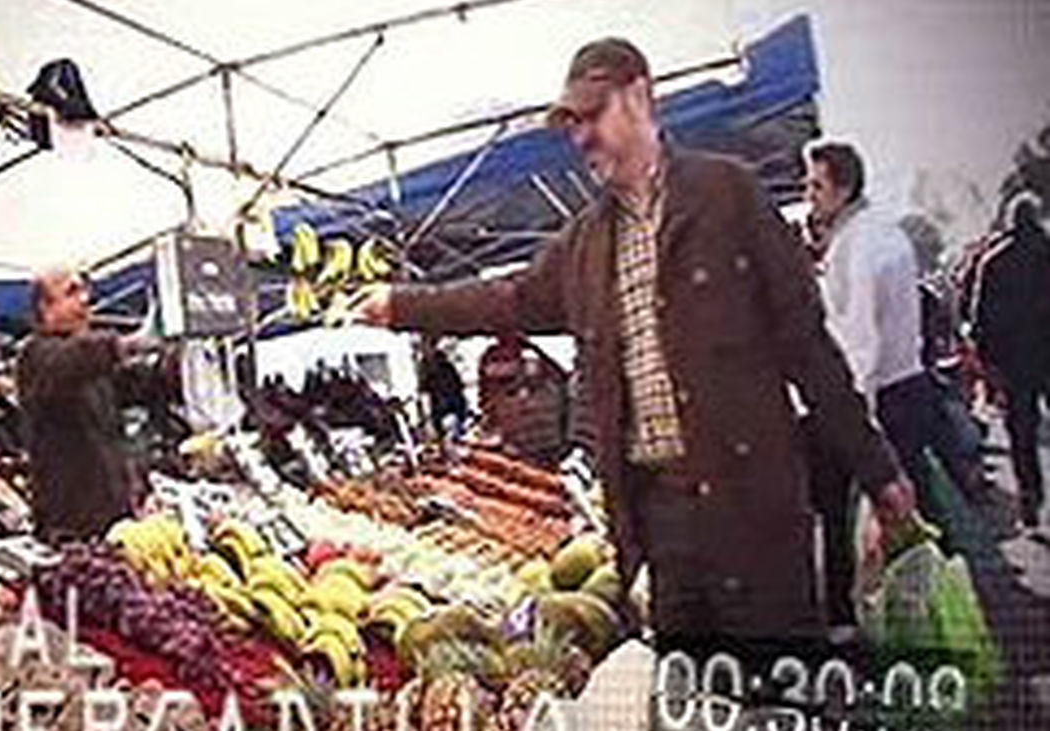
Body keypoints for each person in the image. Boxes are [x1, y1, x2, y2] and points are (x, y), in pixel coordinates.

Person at [356, 38, 915, 646]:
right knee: (690, 695)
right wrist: (401, 306)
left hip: (754, 508)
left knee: (779, 689)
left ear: (641, 96)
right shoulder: (587, 243)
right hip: (660, 528)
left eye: (593, 115)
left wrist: (879, 470)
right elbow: (510, 299)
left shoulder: (730, 195)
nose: (582, 137)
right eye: (572, 124)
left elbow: (809, 348)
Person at [18, 268, 159, 543]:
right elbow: (70, 362)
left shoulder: (93, 368)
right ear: (45, 308)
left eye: (84, 291)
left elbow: (140, 384)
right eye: (72, 292)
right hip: (71, 529)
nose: (85, 300)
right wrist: (126, 344)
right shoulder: (35, 357)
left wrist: (179, 362)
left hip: (114, 522)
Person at [973, 194, 1050, 529]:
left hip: (1015, 360)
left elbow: (979, 318)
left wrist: (991, 366)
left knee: (1022, 432)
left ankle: (1030, 493)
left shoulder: (994, 261)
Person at [417, 338, 468, 438]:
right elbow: (423, 390)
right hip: (439, 406)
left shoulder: (444, 366)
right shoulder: (425, 365)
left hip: (451, 404)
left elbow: (457, 387)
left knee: (452, 432)